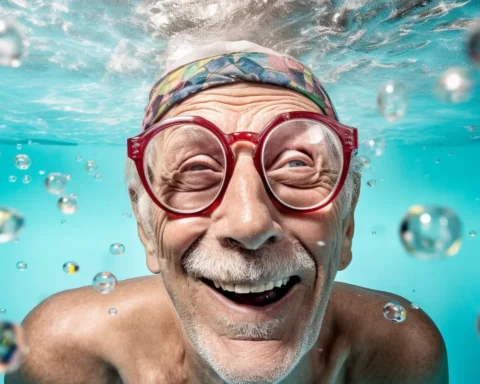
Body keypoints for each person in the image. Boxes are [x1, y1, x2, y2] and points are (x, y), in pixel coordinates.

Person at [5, 41, 448, 384]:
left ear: (347, 224)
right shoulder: (60, 352)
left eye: (296, 165)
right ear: (144, 227)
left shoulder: (401, 353)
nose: (249, 224)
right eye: (196, 170)